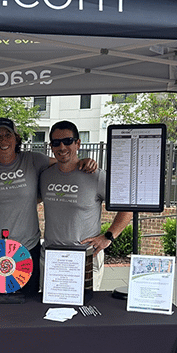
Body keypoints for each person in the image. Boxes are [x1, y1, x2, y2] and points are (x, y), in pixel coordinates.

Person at [0, 118, 96, 297]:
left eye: (8, 135)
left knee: (29, 301)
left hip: (27, 246)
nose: (3, 140)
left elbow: (64, 162)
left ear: (16, 138)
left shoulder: (33, 160)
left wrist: (84, 160)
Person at [40, 121, 131, 291]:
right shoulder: (45, 176)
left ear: (78, 143)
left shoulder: (96, 176)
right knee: (50, 306)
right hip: (52, 257)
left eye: (67, 141)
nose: (62, 147)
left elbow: (127, 206)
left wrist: (109, 237)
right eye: (56, 143)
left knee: (86, 306)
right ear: (51, 147)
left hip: (86, 256)